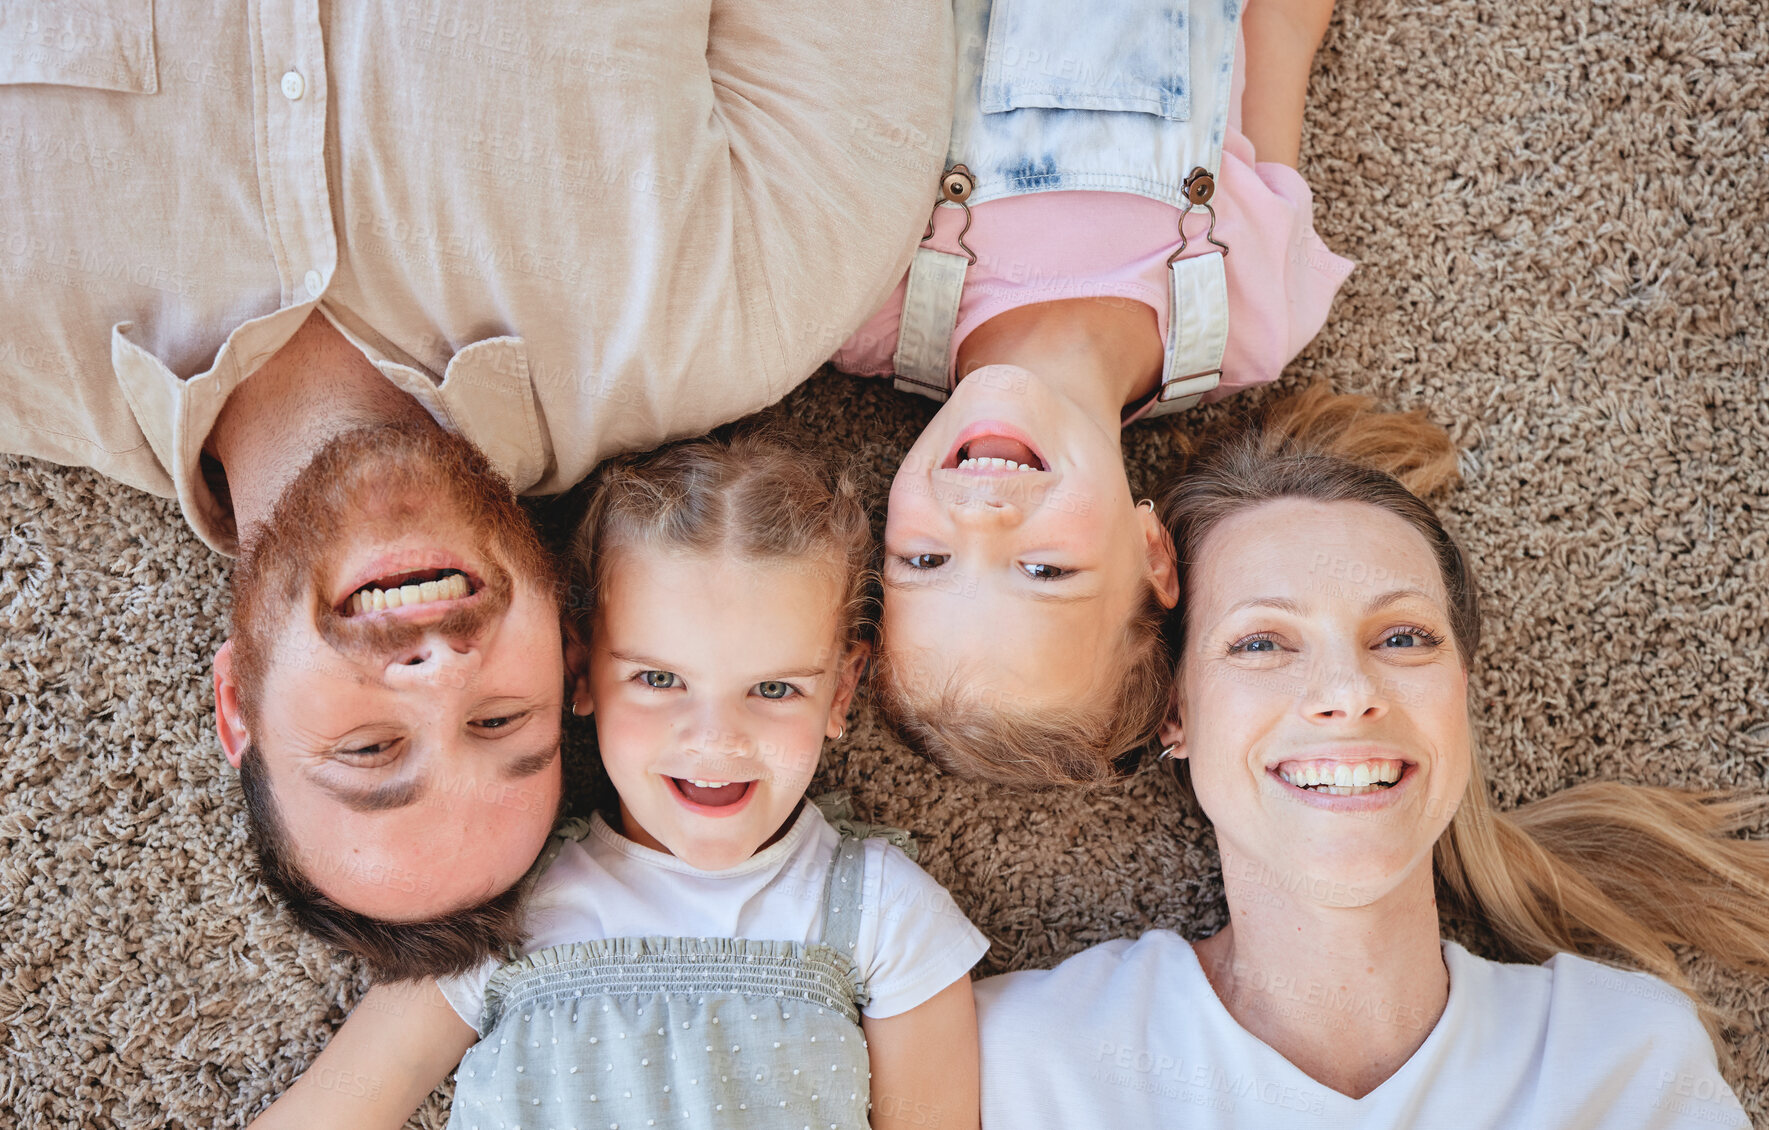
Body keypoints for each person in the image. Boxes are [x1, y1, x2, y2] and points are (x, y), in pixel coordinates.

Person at [1, 2, 951, 927]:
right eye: (500, 723)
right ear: (572, 652)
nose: (440, 672)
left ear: (236, 699)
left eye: (370, 748)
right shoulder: (750, 308)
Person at [971, 423, 1767, 1127]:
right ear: (1172, 709)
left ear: (1459, 695)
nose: (1349, 694)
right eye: (1260, 643)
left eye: (1402, 639)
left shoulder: (1624, 1062)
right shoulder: (1021, 1064)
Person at [246, 429, 989, 1130]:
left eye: (773, 690)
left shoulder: (881, 913)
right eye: (659, 678)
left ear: (842, 690)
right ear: (580, 670)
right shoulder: (501, 908)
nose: (714, 739)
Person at [831, 0, 1354, 787]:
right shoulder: (1250, 319)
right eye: (1043, 571)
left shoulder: (858, 302)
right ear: (1152, 554)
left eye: (926, 557)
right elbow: (1279, 27)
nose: (982, 517)